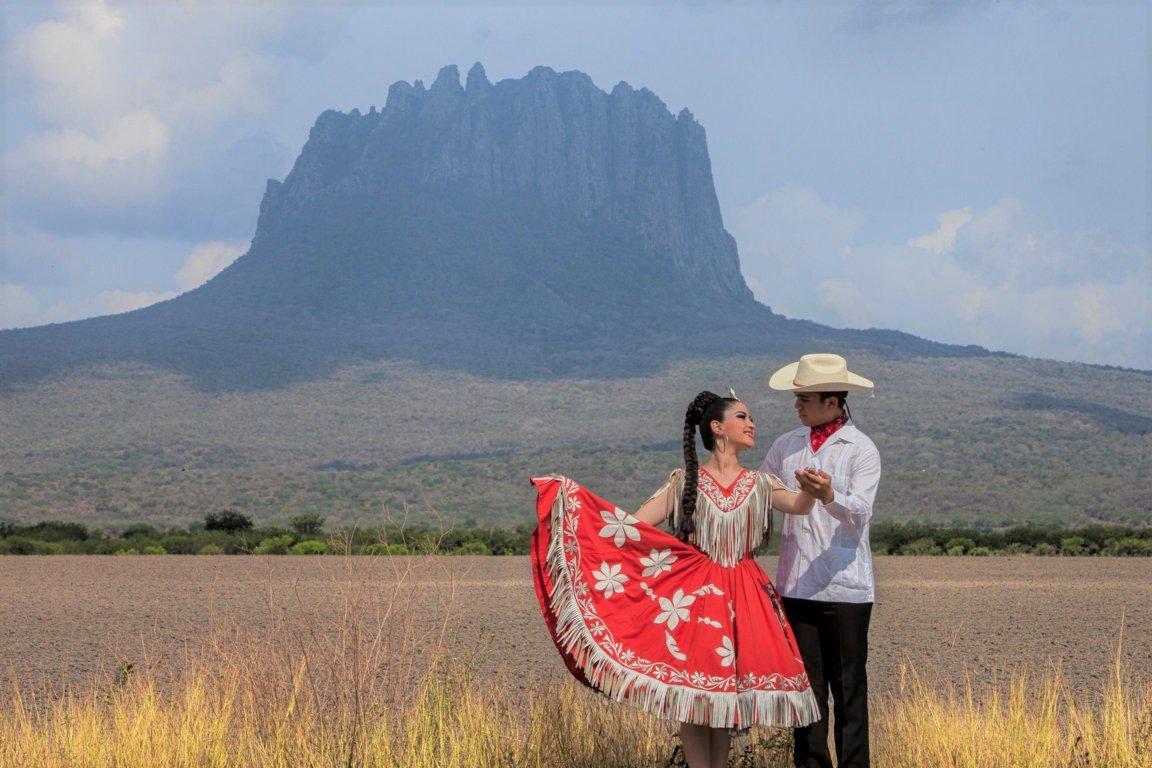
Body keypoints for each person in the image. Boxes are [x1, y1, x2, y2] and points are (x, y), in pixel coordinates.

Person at [530, 391, 824, 768]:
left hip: (744, 596)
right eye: (742, 416)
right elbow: (632, 527)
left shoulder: (761, 483)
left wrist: (813, 493)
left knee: (723, 699)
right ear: (718, 428)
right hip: (696, 599)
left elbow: (798, 506)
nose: (751, 423)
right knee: (695, 697)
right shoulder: (685, 482)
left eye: (750, 417)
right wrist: (573, 500)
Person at [760, 353, 880, 768]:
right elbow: (762, 494)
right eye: (797, 398)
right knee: (806, 692)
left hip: (846, 588)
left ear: (832, 402)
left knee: (849, 691)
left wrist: (828, 495)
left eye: (805, 399)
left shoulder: (861, 450)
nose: (797, 406)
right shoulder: (785, 446)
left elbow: (860, 512)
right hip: (796, 586)